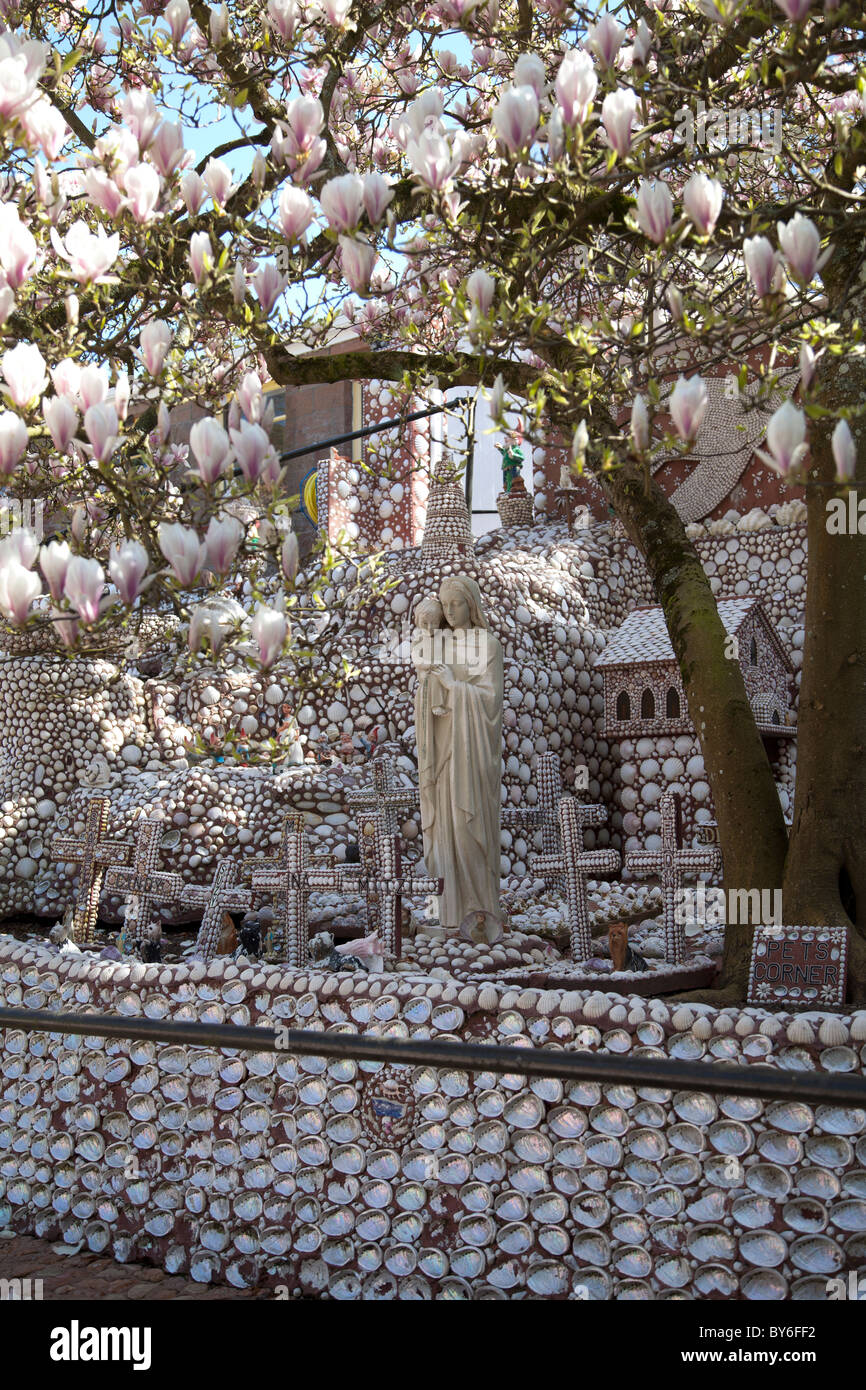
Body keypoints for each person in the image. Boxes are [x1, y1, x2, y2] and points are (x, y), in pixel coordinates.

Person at [414, 575, 503, 930]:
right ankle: (448, 909)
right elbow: (426, 690)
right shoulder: (440, 644)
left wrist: (454, 687)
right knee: (446, 827)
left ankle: (480, 909)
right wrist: (430, 689)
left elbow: (491, 700)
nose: (449, 612)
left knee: (469, 826)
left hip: (473, 751)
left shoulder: (489, 644)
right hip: (444, 747)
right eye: (445, 604)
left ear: (472, 605)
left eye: (456, 604)